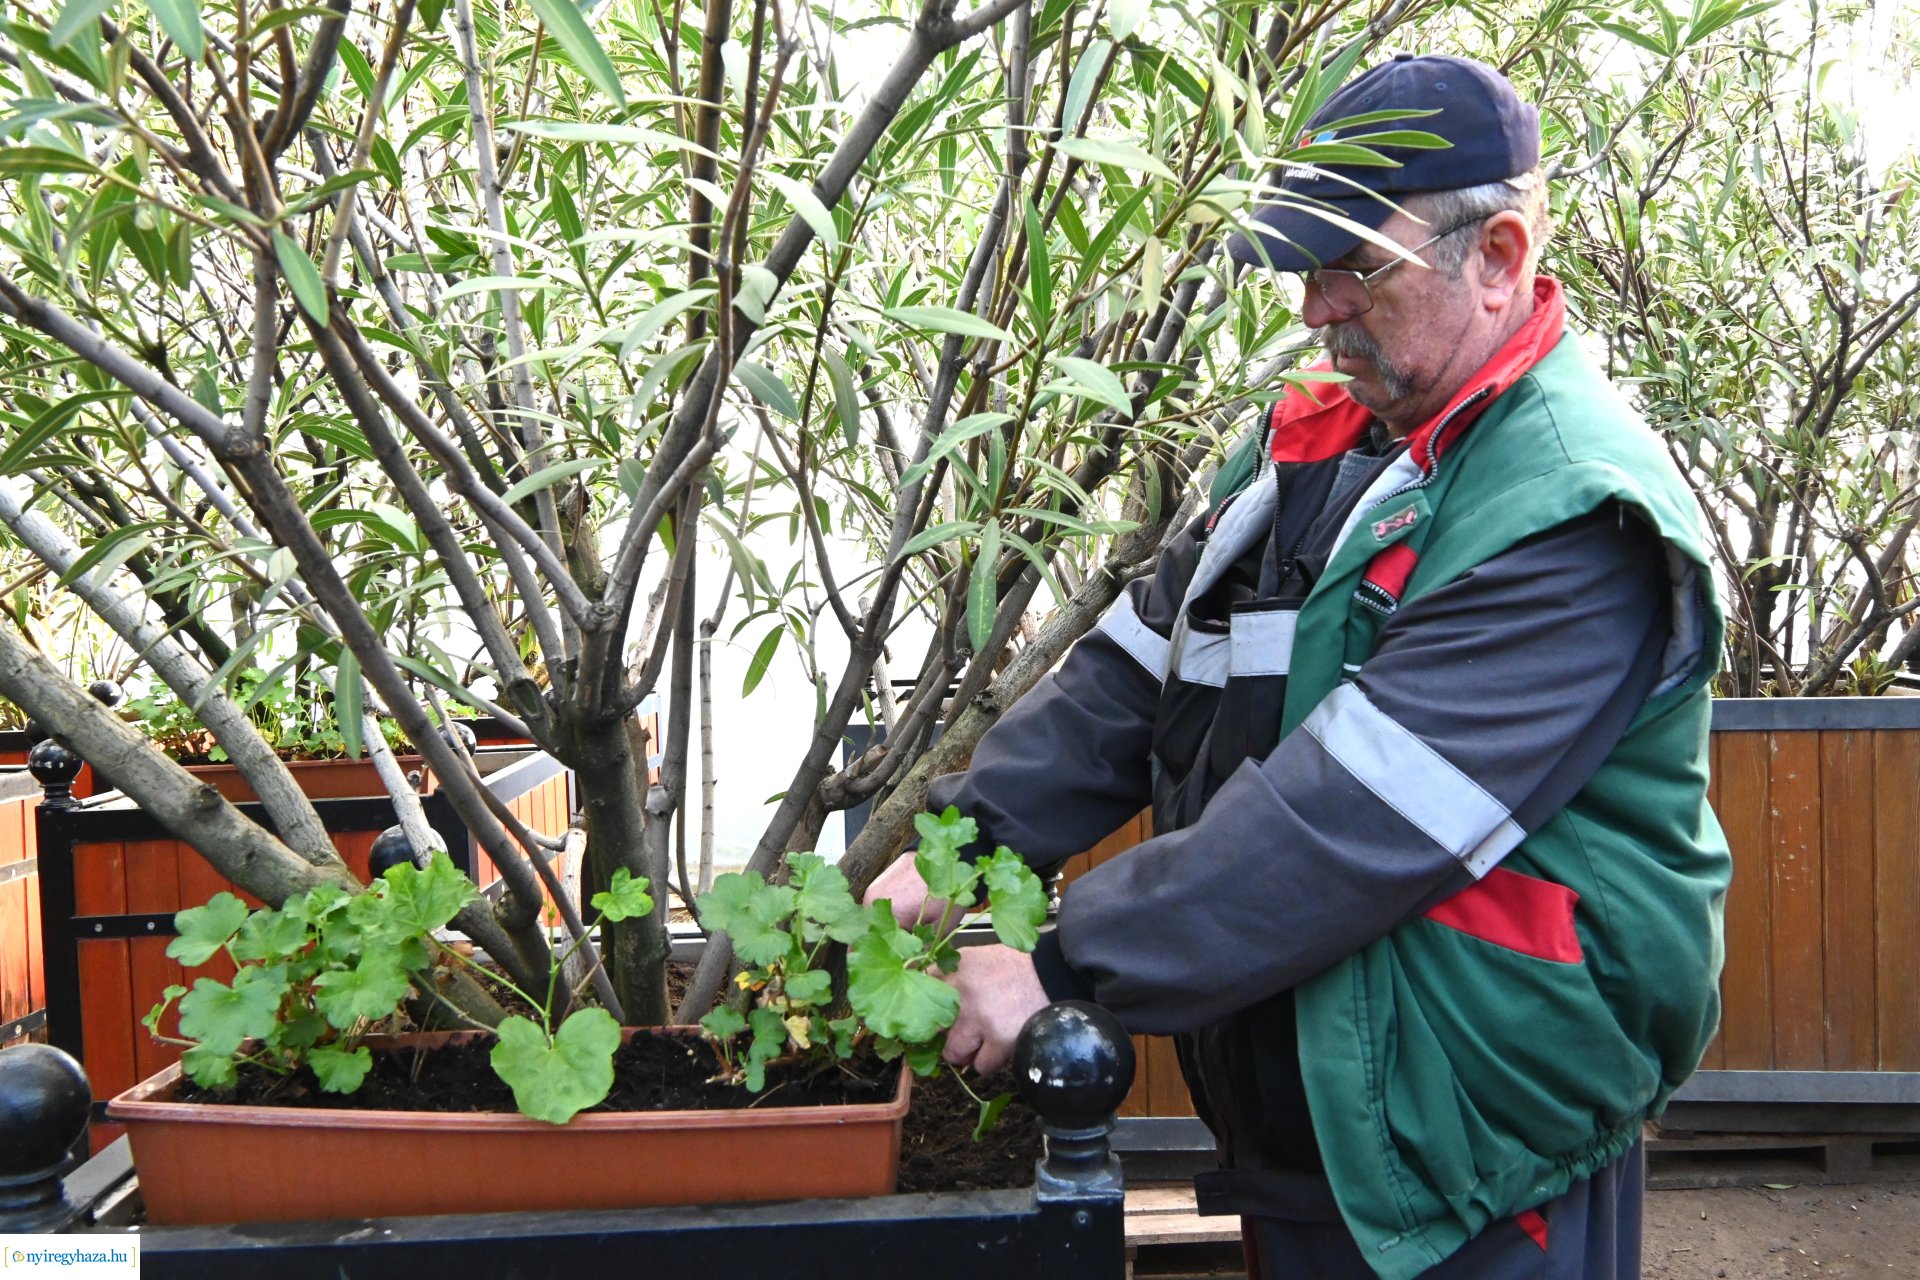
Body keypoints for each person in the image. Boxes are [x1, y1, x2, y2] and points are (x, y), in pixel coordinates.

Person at [864, 52, 1731, 1280]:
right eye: (1305, 268)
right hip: (1318, 1104)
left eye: (1353, 270)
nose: (1316, 310)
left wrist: (1056, 966)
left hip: (1471, 1129)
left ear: (1500, 256)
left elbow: (1350, 819)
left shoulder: (1573, 513)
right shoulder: (1311, 449)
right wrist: (957, 849)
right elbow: (1128, 676)